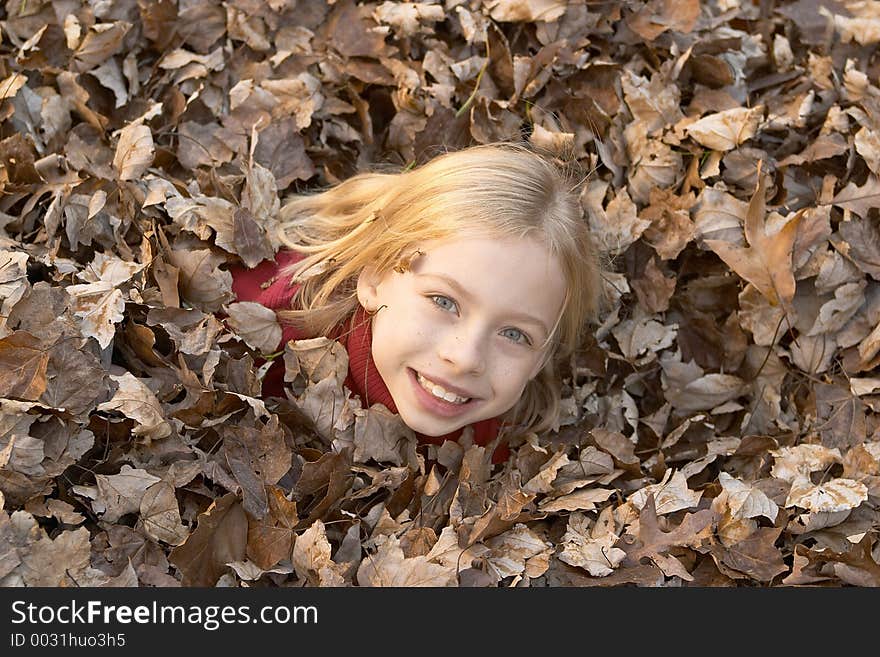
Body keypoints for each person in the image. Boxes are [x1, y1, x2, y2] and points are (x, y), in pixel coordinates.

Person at [227, 142, 602, 463]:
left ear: (540, 358)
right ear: (374, 278)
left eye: (515, 334)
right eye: (444, 301)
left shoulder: (497, 439)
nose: (466, 358)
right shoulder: (267, 323)